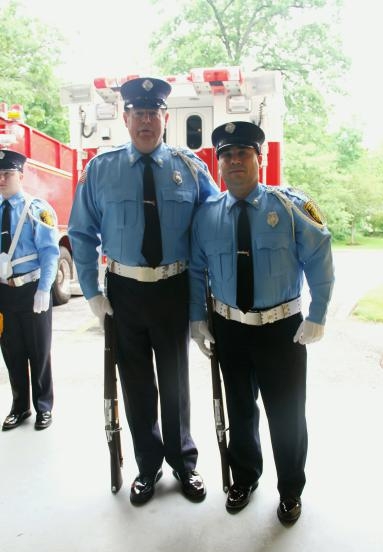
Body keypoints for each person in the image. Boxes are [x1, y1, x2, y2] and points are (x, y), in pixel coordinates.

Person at [68, 77, 218, 505]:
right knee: (135, 385)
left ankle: (183, 464)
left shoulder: (191, 167)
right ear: (126, 117)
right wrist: (93, 292)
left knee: (175, 384)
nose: (147, 121)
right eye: (139, 113)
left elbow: (213, 228)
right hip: (124, 292)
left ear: (165, 118)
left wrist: (204, 306)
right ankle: (147, 467)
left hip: (172, 289)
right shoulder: (101, 169)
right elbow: (81, 233)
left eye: (154, 113)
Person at [189, 121, 334, 523]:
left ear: (259, 159)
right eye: (227, 155)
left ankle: (290, 490)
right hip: (229, 328)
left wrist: (318, 315)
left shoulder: (288, 206)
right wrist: (197, 321)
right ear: (219, 164)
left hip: (282, 330)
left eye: (243, 153)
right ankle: (245, 478)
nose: (235, 161)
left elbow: (320, 254)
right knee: (240, 410)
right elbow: (196, 271)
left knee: (287, 415)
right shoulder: (207, 216)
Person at [0, 149, 59, 431]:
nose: (1, 178)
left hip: (32, 289)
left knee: (39, 351)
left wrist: (45, 289)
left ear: (20, 175)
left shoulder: (38, 209)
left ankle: (43, 407)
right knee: (12, 351)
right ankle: (19, 406)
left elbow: (49, 253)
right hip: (4, 294)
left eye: (7, 173)